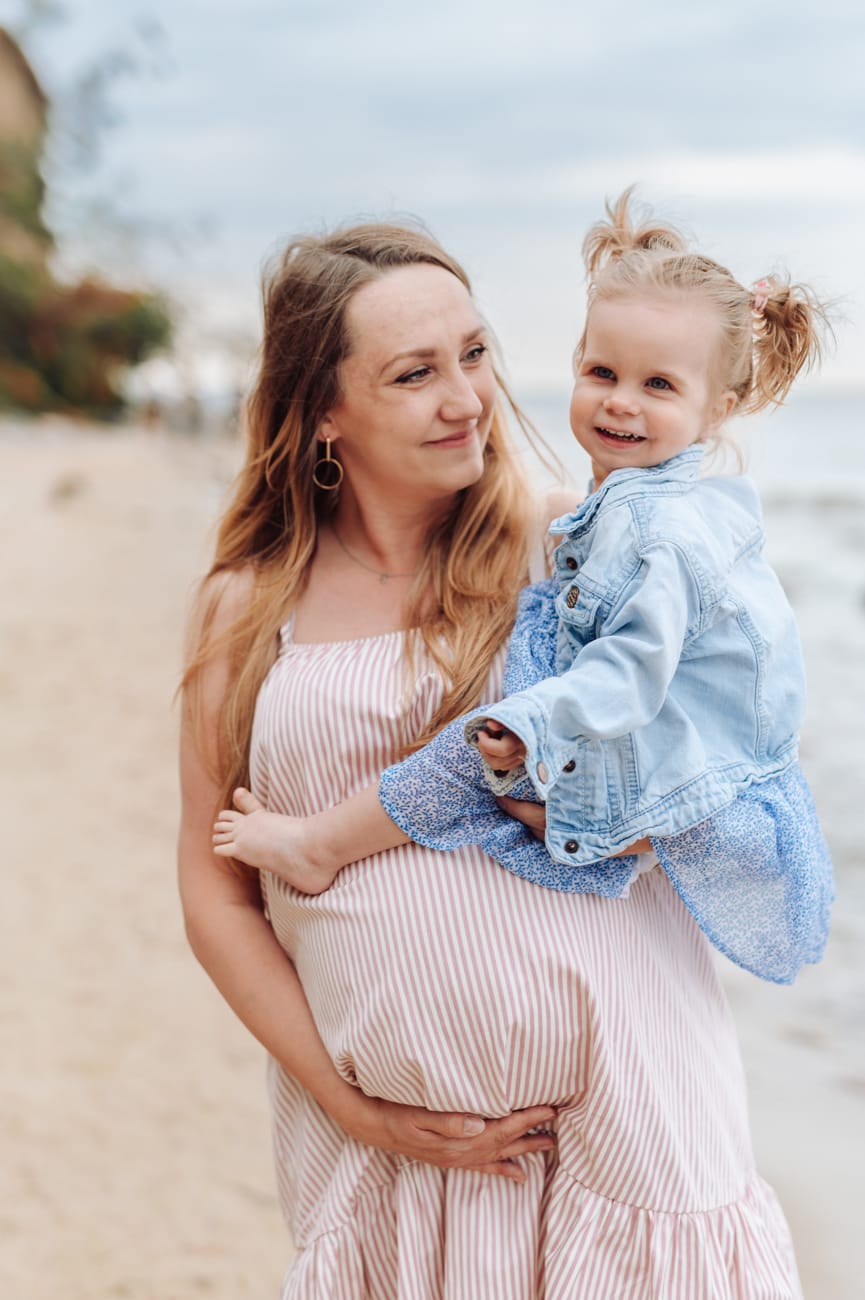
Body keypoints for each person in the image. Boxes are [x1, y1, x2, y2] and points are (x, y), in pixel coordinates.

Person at [182, 217, 805, 1297]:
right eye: (416, 372)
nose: (467, 399)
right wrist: (351, 1103)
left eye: (475, 354)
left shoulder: (573, 549)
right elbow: (215, 890)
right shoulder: (246, 608)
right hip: (397, 1154)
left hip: (630, 1120)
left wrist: (624, 816)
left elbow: (731, 752)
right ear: (322, 410)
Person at [213, 191, 834, 987]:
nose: (619, 400)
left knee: (464, 759)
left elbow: (648, 675)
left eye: (657, 386)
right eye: (601, 371)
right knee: (488, 775)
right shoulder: (622, 514)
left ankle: (318, 846)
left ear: (718, 409)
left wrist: (539, 726)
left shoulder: (656, 530)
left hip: (650, 807)